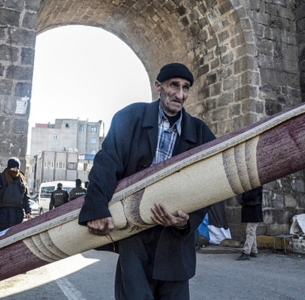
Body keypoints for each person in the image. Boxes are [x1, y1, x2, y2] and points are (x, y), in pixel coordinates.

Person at [78, 63, 216, 300]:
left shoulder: (201, 133)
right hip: (135, 235)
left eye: (186, 88)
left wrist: (186, 221)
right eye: (174, 85)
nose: (180, 95)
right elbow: (107, 162)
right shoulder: (130, 118)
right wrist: (97, 207)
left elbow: (210, 183)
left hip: (174, 242)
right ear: (158, 86)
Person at [0, 157, 31, 234]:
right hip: (1, 217)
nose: (15, 170)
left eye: (17, 168)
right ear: (9, 167)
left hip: (17, 217)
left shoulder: (21, 180)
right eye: (13, 167)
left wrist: (28, 212)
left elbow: (26, 198)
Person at [236, 186, 263, 260]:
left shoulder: (256, 185)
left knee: (250, 231)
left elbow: (252, 195)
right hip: (250, 209)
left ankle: (246, 252)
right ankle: (254, 251)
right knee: (251, 232)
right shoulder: (254, 184)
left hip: (253, 209)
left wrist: (242, 198)